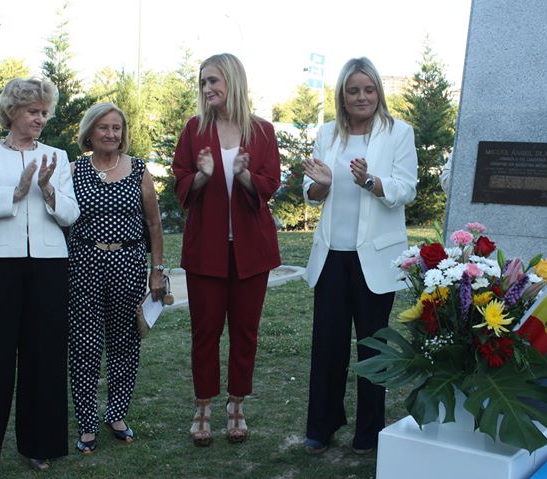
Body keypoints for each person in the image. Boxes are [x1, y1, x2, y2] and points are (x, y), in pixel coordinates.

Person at [0, 77, 80, 475]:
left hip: (48, 264)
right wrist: (15, 190)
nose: (40, 119)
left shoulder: (57, 156)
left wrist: (46, 189)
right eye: (33, 111)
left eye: (44, 112)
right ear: (12, 112)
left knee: (43, 357)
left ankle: (38, 445)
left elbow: (70, 214)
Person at [301, 57, 418, 455]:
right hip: (332, 256)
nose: (362, 97)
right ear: (342, 96)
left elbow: (406, 189)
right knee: (328, 345)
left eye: (369, 90)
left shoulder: (399, 132)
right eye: (353, 91)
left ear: (378, 92)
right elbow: (312, 192)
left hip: (376, 259)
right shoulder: (327, 133)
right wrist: (322, 184)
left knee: (374, 349)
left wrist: (369, 181)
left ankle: (369, 433)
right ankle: (322, 424)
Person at [172, 53, 281, 446]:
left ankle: (237, 405)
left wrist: (247, 177)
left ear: (232, 81)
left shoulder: (263, 132)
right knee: (205, 332)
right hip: (206, 250)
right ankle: (203, 406)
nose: (207, 89)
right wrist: (202, 176)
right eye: (203, 83)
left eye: (213, 81)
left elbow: (269, 186)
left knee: (245, 333)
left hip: (252, 251)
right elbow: (180, 183)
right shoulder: (194, 130)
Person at [68, 102, 165, 454]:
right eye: (104, 127)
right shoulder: (74, 169)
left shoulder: (138, 169)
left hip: (128, 263)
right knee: (85, 345)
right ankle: (88, 422)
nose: (111, 134)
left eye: (117, 128)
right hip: (84, 263)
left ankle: (117, 414)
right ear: (90, 132)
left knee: (125, 342)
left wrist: (157, 269)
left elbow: (154, 223)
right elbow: (62, 217)